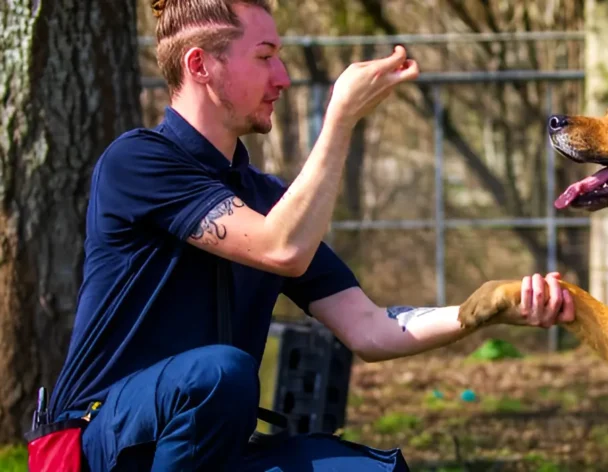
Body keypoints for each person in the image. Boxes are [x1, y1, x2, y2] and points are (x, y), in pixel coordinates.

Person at [44, 0, 575, 470]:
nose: (283, 77)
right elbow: (281, 248)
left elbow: (370, 329)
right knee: (219, 375)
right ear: (200, 65)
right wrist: (338, 119)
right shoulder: (137, 161)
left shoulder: (267, 199)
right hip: (101, 443)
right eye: (264, 56)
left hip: (211, 445)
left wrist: (484, 308)